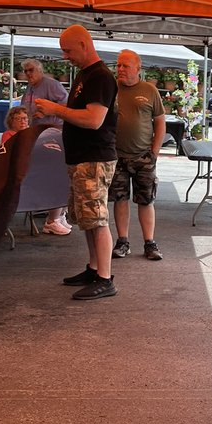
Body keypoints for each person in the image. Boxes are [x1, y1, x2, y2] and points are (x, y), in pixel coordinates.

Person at [33, 26, 118, 300]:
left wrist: (55, 109)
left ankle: (105, 278)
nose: (65, 56)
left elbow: (94, 120)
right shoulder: (85, 74)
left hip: (94, 158)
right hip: (82, 158)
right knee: (87, 218)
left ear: (84, 44)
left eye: (68, 50)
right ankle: (94, 269)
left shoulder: (101, 77)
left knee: (97, 217)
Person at [111, 49, 166, 261]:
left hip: (144, 156)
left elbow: (160, 122)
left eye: (125, 65)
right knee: (120, 199)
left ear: (138, 68)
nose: (121, 69)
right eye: (118, 65)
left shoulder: (150, 90)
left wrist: (155, 152)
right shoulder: (111, 89)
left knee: (146, 200)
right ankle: (122, 242)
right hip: (117, 156)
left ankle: (149, 243)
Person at [20, 59, 71, 235]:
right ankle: (56, 213)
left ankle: (55, 217)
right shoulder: (29, 88)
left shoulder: (52, 85)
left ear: (40, 70)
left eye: (31, 70)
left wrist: (50, 110)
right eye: (25, 71)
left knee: (56, 173)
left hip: (53, 133)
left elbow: (67, 104)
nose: (28, 74)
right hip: (35, 134)